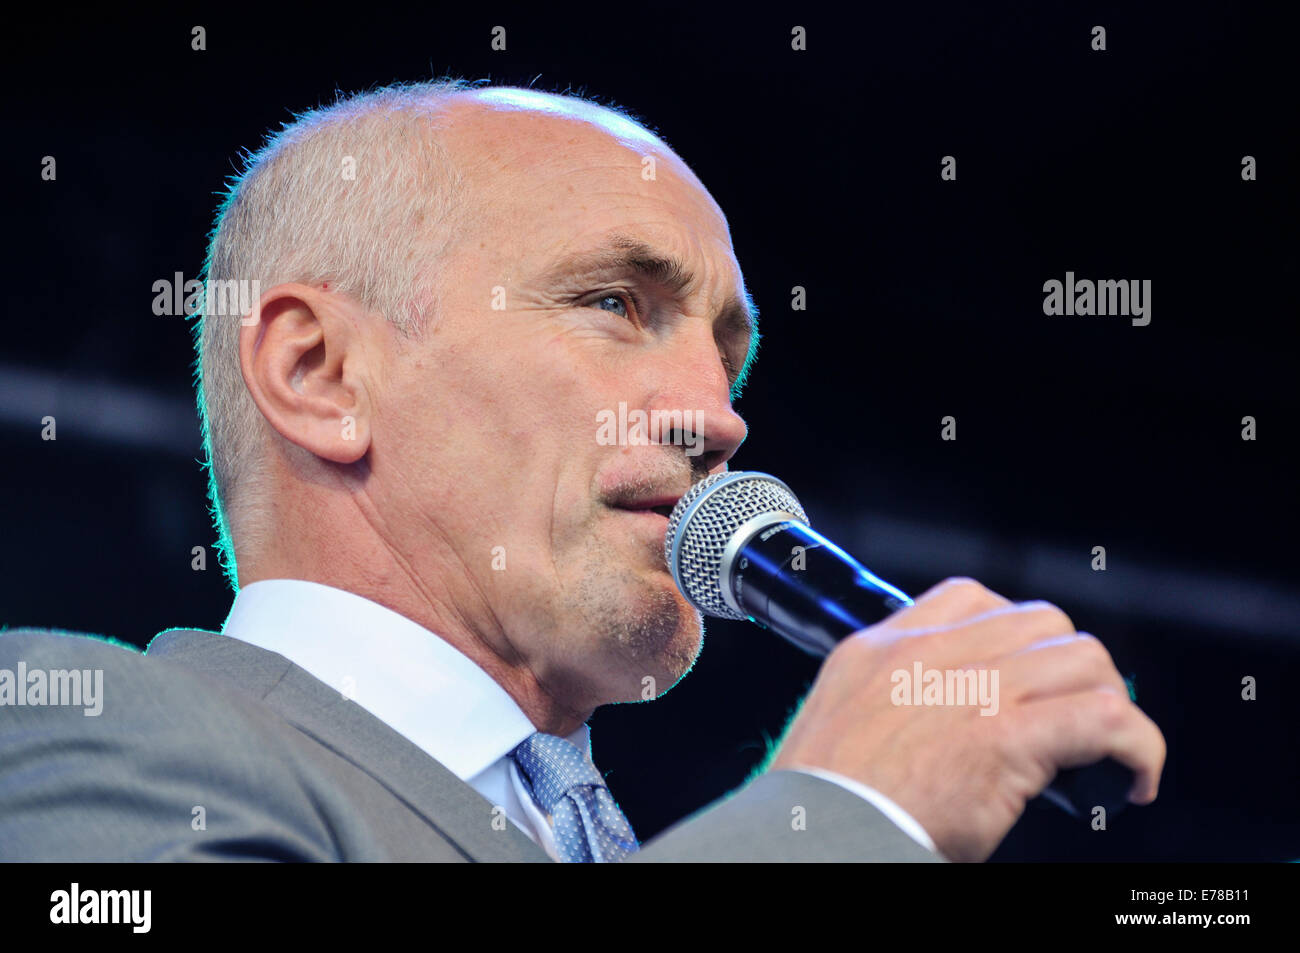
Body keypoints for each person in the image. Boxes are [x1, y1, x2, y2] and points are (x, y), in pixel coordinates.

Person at [0, 80, 1165, 862]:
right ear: (320, 372)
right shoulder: (85, 735)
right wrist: (850, 812)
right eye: (614, 303)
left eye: (727, 352)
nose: (718, 416)